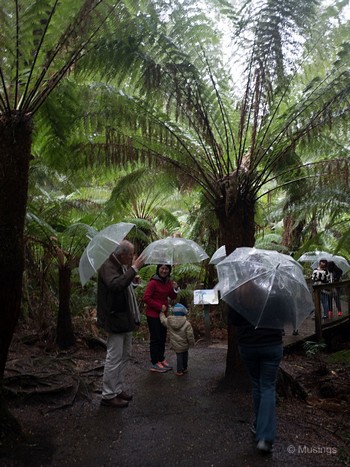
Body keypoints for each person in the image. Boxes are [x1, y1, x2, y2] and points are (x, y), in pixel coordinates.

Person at [228, 291, 284, 454]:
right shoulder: (275, 293)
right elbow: (284, 317)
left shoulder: (239, 295)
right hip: (271, 344)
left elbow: (234, 320)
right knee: (267, 387)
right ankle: (265, 436)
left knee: (257, 385)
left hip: (248, 346)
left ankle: (259, 426)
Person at [97, 240, 144, 408]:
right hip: (114, 317)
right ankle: (108, 395)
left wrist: (133, 282)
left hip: (124, 317)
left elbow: (123, 286)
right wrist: (134, 269)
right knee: (114, 356)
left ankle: (117, 389)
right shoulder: (107, 266)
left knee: (125, 355)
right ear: (122, 254)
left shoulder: (120, 266)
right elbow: (116, 285)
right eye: (130, 255)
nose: (132, 258)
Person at [143, 264, 180, 373]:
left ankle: (161, 358)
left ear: (169, 270)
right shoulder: (153, 282)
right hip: (153, 314)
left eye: (166, 269)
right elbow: (146, 298)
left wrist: (175, 288)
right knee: (156, 338)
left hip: (163, 315)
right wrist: (159, 306)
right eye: (162, 268)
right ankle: (155, 362)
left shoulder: (168, 282)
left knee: (162, 337)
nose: (164, 271)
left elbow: (172, 296)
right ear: (158, 269)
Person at [160, 299, 195, 376]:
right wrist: (192, 343)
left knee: (179, 356)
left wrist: (162, 313)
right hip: (185, 344)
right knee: (185, 355)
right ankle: (185, 368)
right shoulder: (187, 323)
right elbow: (190, 335)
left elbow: (162, 320)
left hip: (176, 345)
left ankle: (179, 371)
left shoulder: (169, 321)